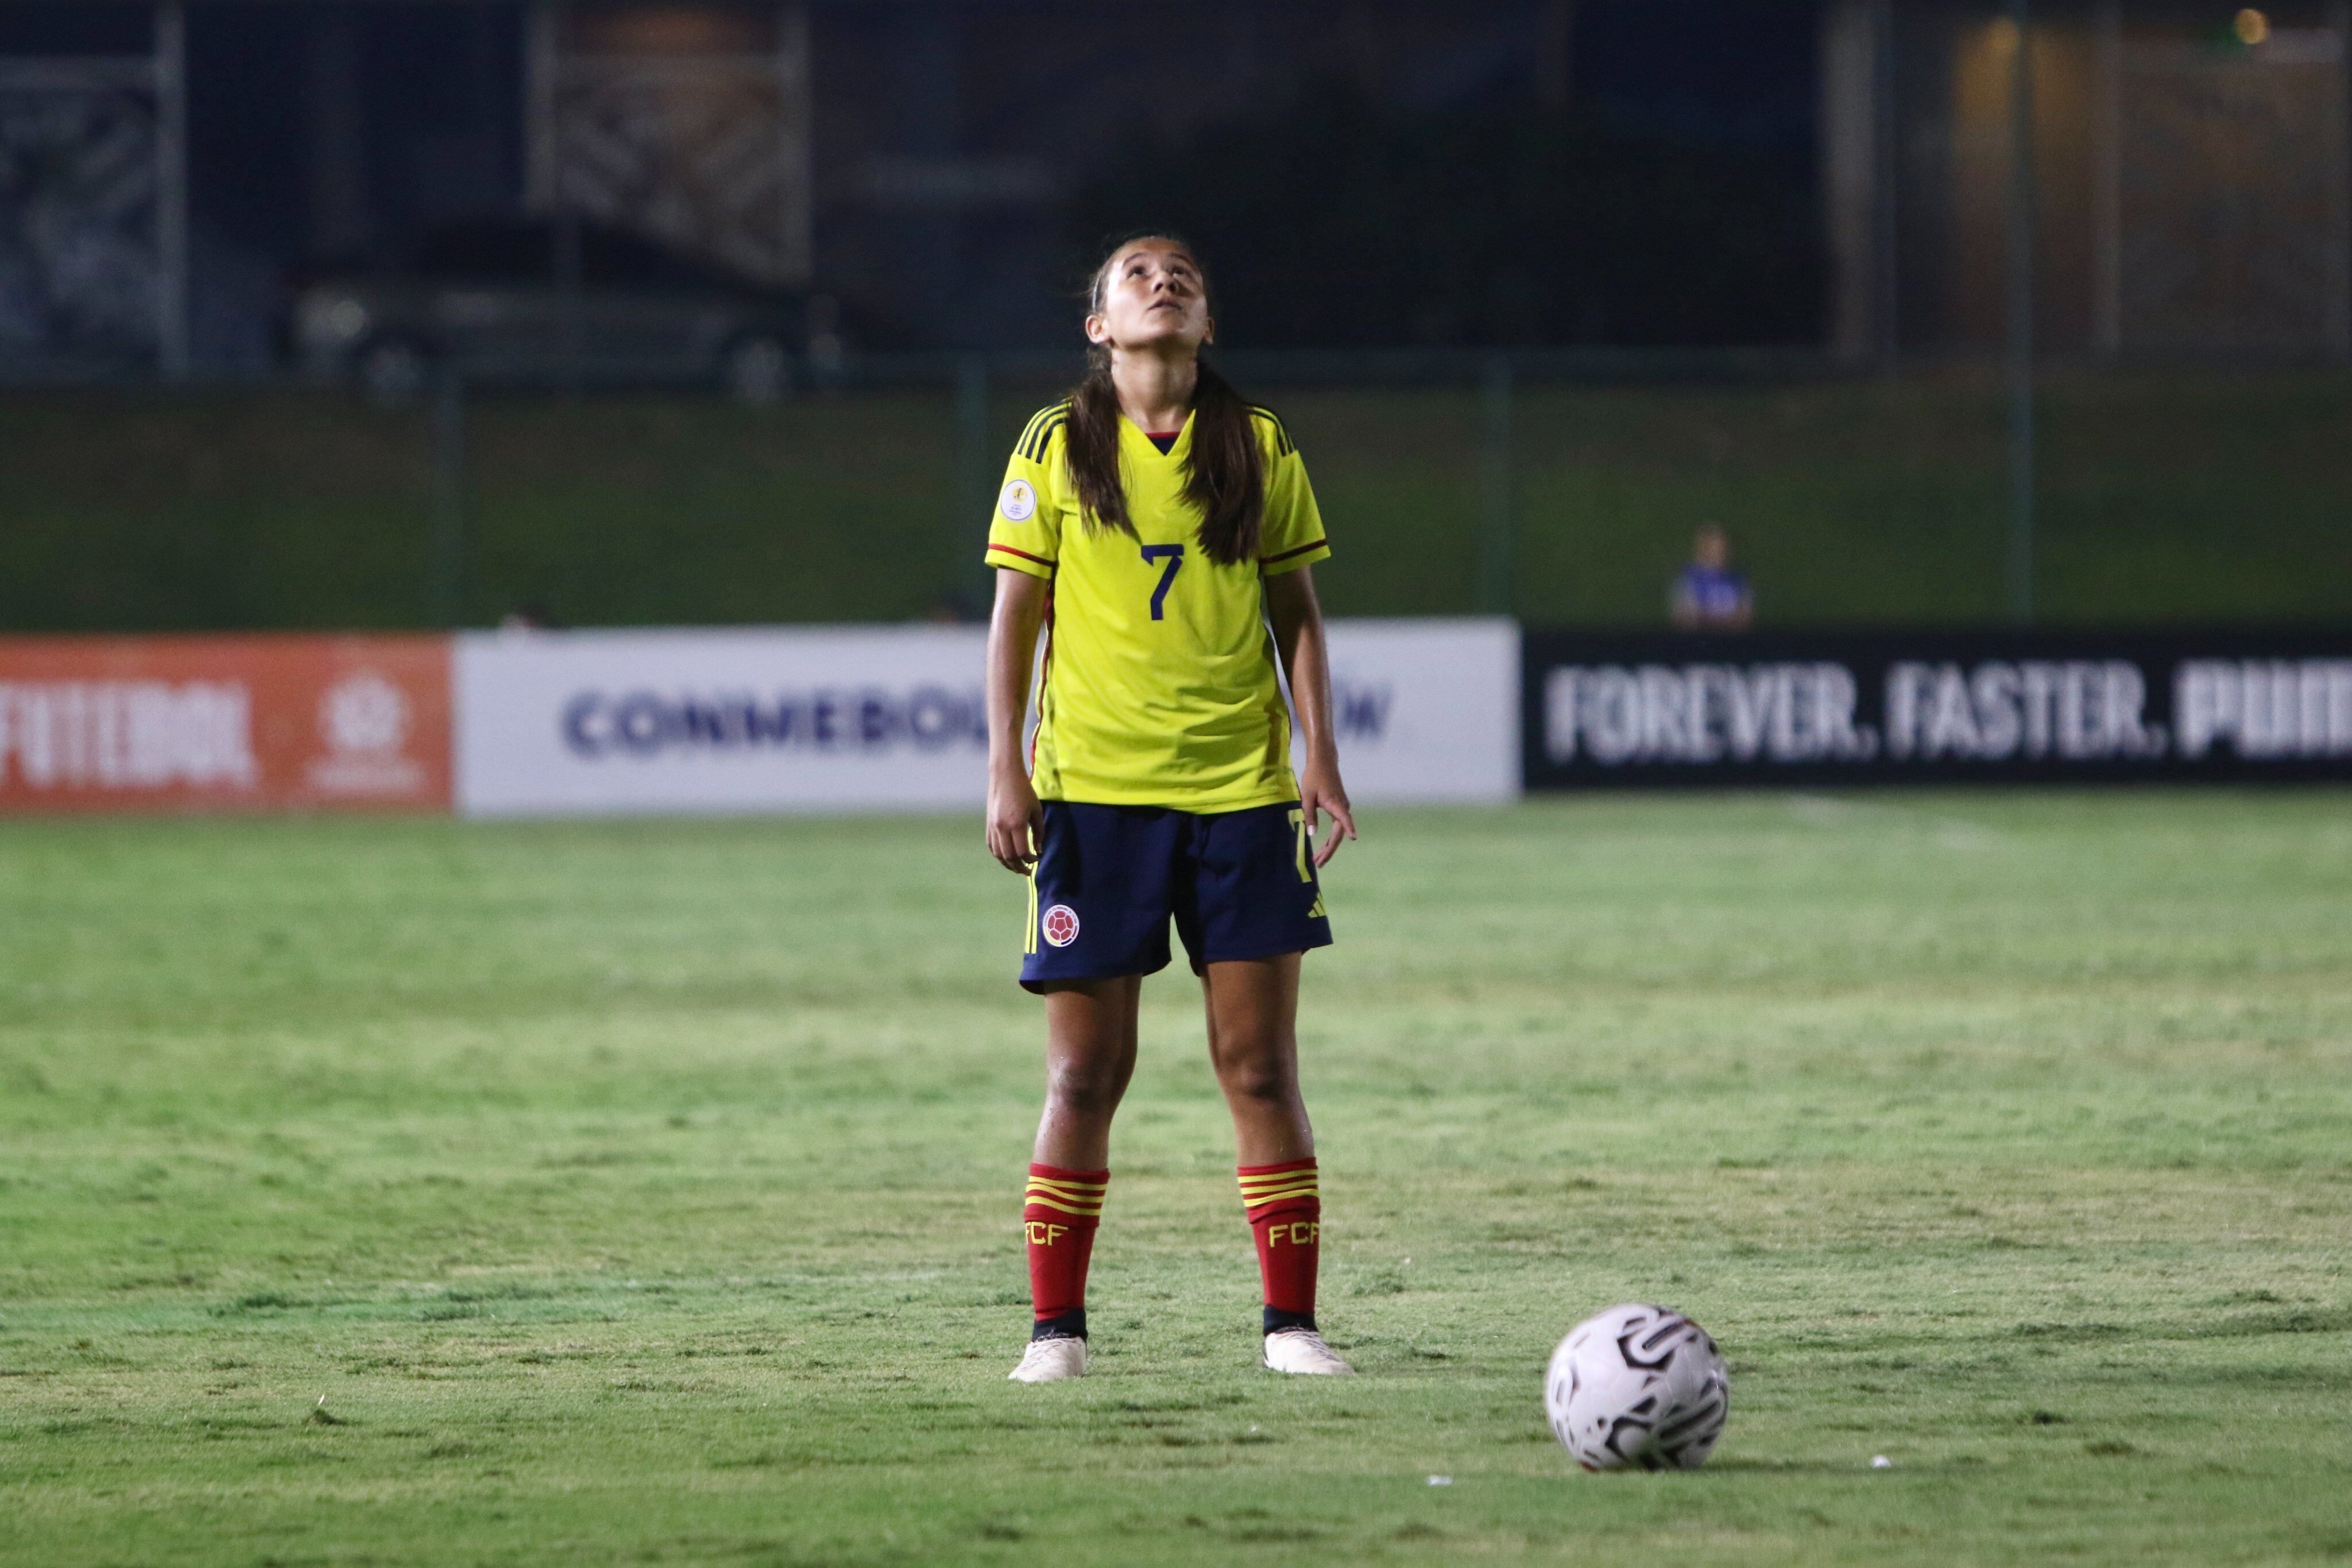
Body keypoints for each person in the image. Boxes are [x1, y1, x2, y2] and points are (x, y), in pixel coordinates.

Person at [982, 235, 1356, 1384]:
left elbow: (1294, 611)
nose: (1163, 281)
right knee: (1084, 1075)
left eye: (1182, 274)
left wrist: (1318, 757)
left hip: (1239, 797)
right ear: (1098, 326)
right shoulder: (1054, 444)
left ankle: (1289, 1327)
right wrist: (1007, 766)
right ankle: (1056, 1334)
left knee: (1256, 1068)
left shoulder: (1256, 445)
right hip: (1094, 799)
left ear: (1207, 325)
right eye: (1135, 274)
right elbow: (1016, 617)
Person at [1670, 522, 1753, 630]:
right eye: (1714, 547)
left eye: (1722, 547)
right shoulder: (1689, 579)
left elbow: (1745, 615)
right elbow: (1684, 616)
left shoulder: (1737, 579)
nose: (1720, 552)